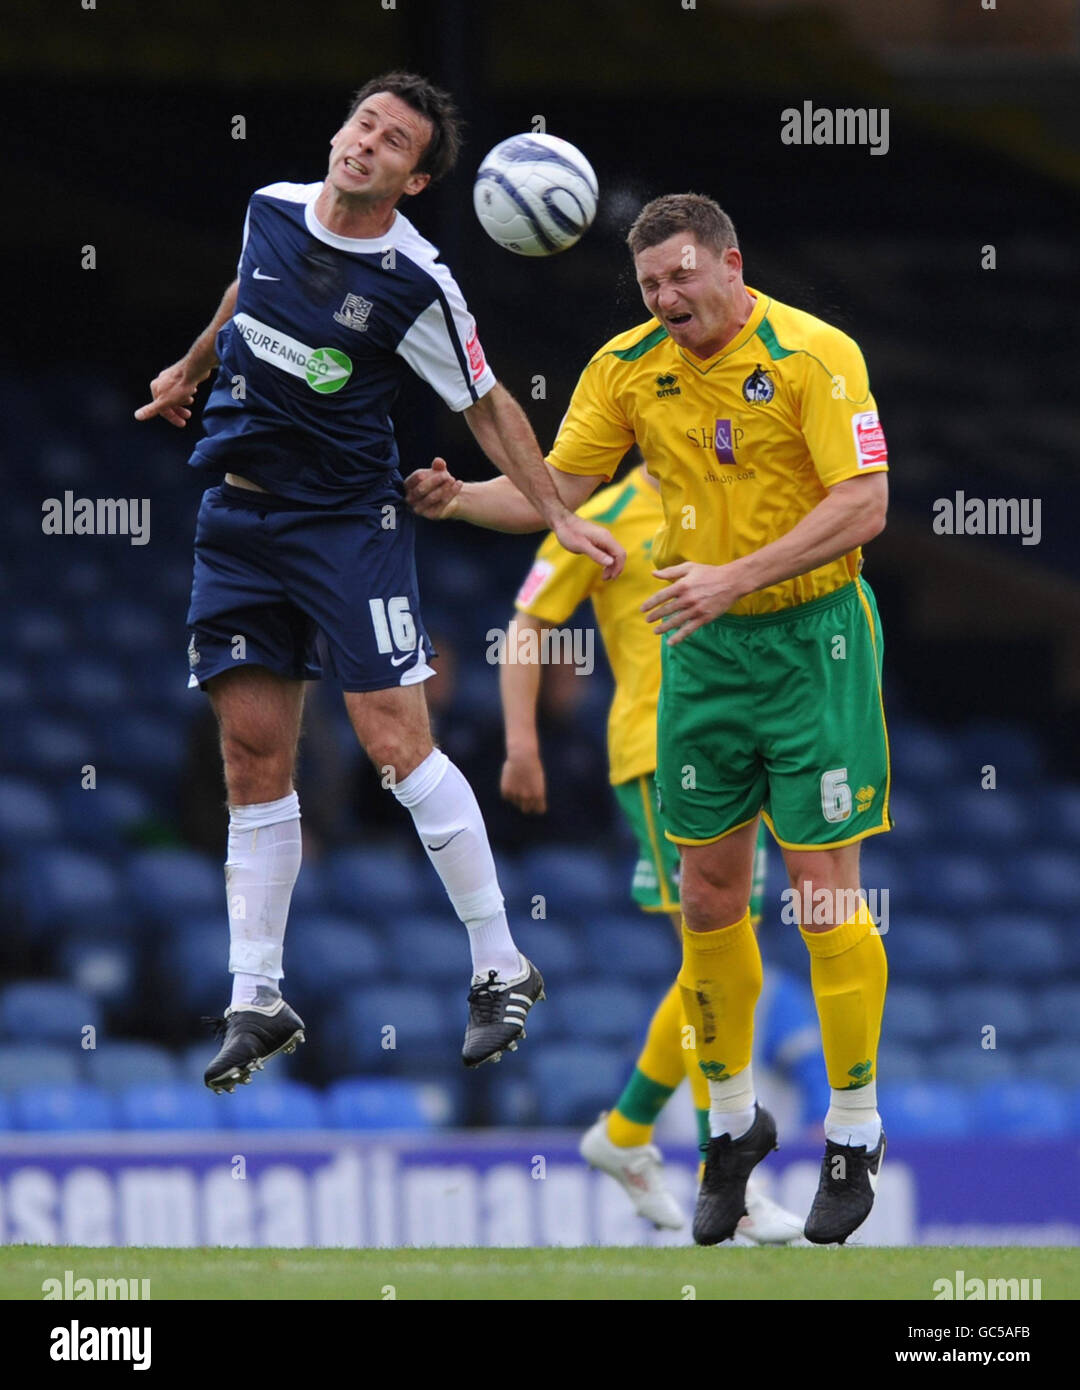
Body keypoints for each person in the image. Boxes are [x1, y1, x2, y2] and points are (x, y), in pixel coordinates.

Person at [406, 192, 891, 1246]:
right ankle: (728, 1130)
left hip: (816, 642)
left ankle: (853, 1130)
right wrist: (462, 499)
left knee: (820, 894)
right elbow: (558, 491)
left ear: (730, 263)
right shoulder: (627, 366)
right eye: (650, 285)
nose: (666, 298)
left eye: (681, 276)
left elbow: (864, 504)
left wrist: (736, 577)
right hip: (701, 655)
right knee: (710, 900)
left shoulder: (813, 354)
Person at [134, 71, 625, 1092]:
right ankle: (257, 995)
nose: (366, 142)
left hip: (347, 525)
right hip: (237, 515)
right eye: (362, 122)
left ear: (414, 178)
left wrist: (557, 510)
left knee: (397, 746)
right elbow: (242, 293)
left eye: (392, 140)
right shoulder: (269, 207)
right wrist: (188, 369)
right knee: (252, 753)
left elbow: (489, 407)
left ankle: (501, 964)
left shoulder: (416, 282)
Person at [501, 458, 805, 1243]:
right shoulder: (599, 519)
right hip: (657, 755)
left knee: (724, 973)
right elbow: (529, 622)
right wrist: (523, 743)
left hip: (743, 753)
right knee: (720, 969)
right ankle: (721, 1180)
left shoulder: (735, 500)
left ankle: (629, 1135)